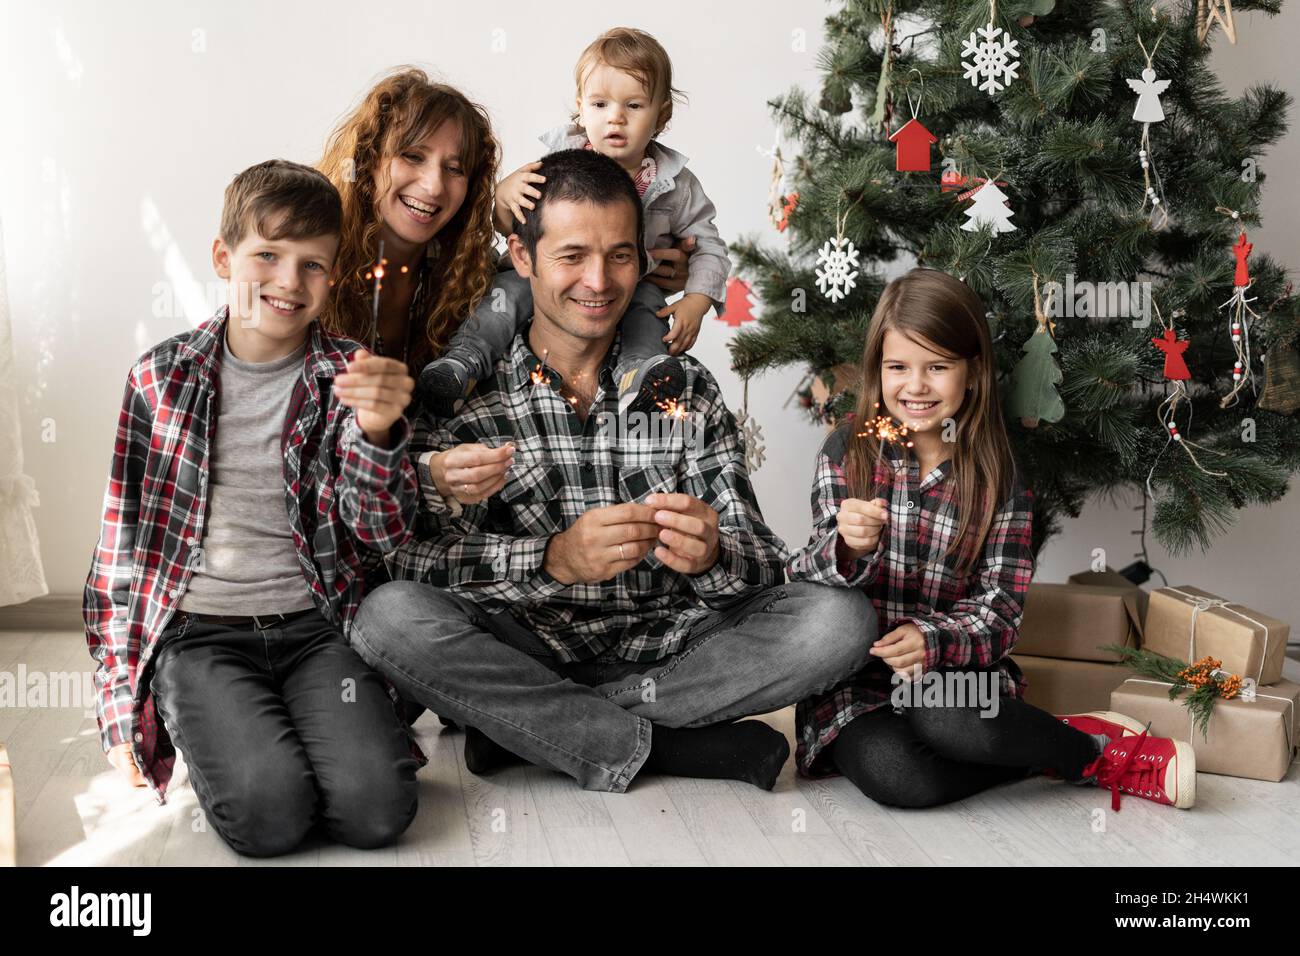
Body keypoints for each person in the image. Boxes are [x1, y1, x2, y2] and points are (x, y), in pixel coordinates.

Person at [351, 148, 871, 793]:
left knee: (838, 621)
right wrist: (555, 560)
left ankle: (532, 729)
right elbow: (412, 563)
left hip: (674, 650)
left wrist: (713, 554)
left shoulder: (683, 387)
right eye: (571, 256)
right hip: (522, 646)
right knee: (388, 618)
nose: (598, 282)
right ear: (521, 258)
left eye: (620, 256)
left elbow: (765, 566)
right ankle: (651, 745)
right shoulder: (461, 395)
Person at [84, 160, 424, 857]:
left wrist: (380, 435)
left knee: (376, 813)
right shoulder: (160, 377)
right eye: (267, 256)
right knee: (268, 819)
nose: (288, 282)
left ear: (334, 277)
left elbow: (382, 530)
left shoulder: (350, 376)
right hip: (201, 637)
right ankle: (223, 732)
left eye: (313, 265)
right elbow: (121, 550)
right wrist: (120, 708)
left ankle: (313, 738)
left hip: (314, 630)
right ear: (222, 256)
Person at [787, 267, 1195, 810]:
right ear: (877, 370)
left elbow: (999, 613)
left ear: (973, 372)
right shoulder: (848, 452)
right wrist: (846, 547)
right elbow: (804, 585)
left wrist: (931, 640)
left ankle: (1088, 750)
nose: (915, 386)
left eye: (938, 367)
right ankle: (1034, 750)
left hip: (953, 678)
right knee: (900, 778)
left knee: (946, 718)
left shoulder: (999, 478)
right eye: (898, 367)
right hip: (857, 687)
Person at [419, 27, 727, 418]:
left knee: (648, 316)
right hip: (548, 283)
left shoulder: (675, 184)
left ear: (661, 114)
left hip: (636, 285)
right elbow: (514, 229)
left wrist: (697, 301)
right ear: (580, 107)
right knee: (506, 294)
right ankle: (463, 362)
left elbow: (710, 247)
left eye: (633, 106)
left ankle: (640, 377)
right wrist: (503, 196)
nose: (615, 117)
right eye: (600, 105)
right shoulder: (557, 160)